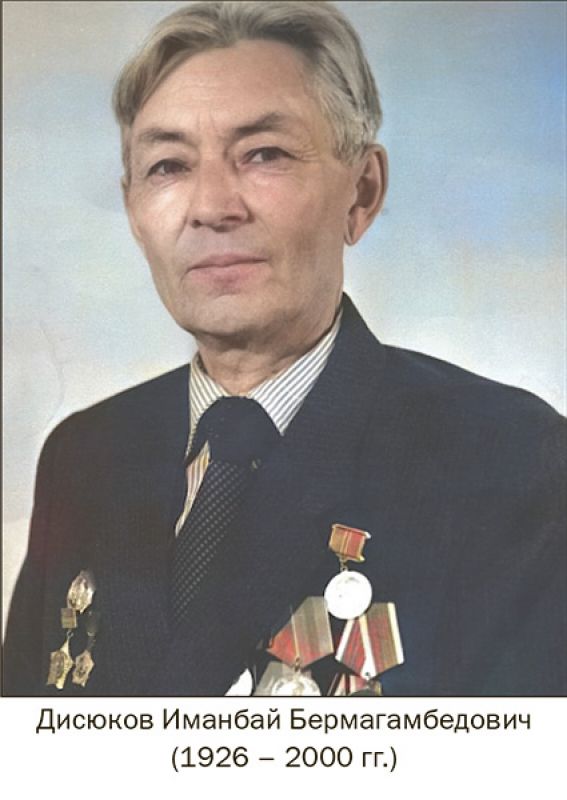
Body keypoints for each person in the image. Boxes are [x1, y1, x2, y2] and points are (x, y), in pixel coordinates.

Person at [3, 0, 565, 697]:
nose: (212, 207)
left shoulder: (509, 460)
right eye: (168, 165)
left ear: (361, 193)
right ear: (133, 210)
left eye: (263, 154)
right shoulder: (85, 456)